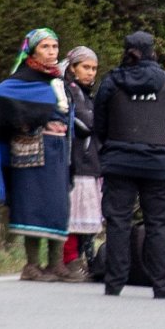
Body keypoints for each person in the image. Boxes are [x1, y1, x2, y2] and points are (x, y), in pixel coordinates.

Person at [0, 28, 84, 283]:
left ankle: (55, 263)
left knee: (58, 205)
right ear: (32, 50)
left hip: (59, 151)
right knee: (33, 204)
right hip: (31, 152)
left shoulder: (59, 80)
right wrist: (32, 121)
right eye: (45, 47)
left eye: (54, 47)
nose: (51, 52)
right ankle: (31, 264)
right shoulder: (21, 80)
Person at [94, 31, 165, 298]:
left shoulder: (112, 82)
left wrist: (112, 148)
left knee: (118, 222)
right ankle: (163, 287)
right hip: (158, 162)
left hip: (119, 161)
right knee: (158, 225)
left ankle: (114, 283)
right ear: (152, 51)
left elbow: (100, 122)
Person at [60, 46, 102, 274]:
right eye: (86, 67)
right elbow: (87, 123)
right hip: (78, 162)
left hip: (90, 161)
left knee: (85, 215)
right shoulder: (71, 91)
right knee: (75, 215)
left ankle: (85, 260)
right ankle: (70, 260)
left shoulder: (85, 93)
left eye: (94, 68)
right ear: (73, 68)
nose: (91, 72)